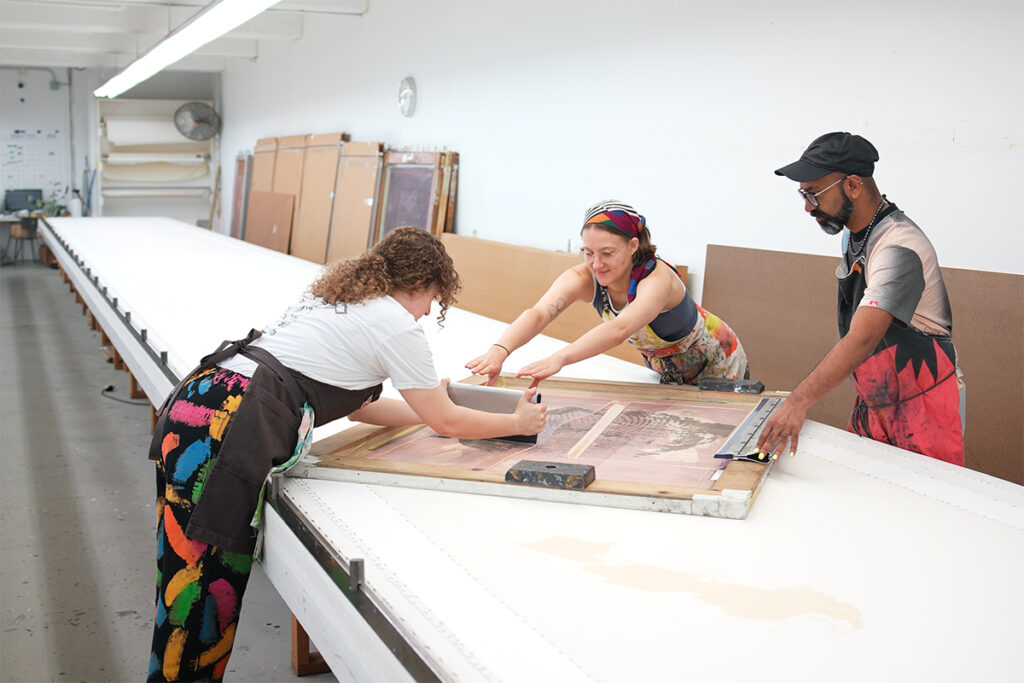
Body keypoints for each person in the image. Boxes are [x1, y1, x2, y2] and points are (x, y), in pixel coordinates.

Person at [146, 227, 546, 682]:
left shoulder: (337, 299)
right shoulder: (395, 324)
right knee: (202, 595)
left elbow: (366, 408)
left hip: (199, 405)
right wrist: (516, 424)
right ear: (417, 285)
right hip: (228, 428)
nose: (427, 312)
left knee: (179, 577)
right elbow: (447, 422)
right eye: (431, 299)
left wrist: (428, 408)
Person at [757, 132, 964, 465]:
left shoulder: (898, 245)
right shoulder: (856, 235)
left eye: (813, 194)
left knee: (923, 504)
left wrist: (797, 402)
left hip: (922, 404)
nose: (808, 207)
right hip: (876, 399)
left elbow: (863, 337)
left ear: (852, 186)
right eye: (803, 194)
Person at [466, 200, 747, 387]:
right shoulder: (585, 277)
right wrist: (499, 350)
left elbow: (620, 328)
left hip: (717, 361)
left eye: (607, 254)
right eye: (588, 253)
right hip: (668, 368)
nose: (596, 264)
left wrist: (559, 358)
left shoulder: (657, 280)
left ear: (633, 245)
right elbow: (539, 314)